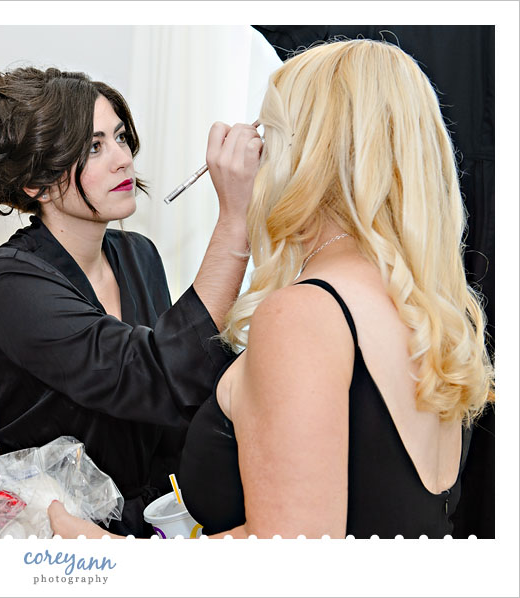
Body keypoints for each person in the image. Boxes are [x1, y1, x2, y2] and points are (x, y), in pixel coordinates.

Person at [48, 39, 495, 539]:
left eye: (269, 132)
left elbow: (288, 558)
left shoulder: (306, 313)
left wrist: (114, 556)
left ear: (304, 153)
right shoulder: (423, 307)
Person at [0, 67, 261, 537]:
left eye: (120, 137)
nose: (123, 159)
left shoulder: (138, 254)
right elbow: (153, 375)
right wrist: (235, 218)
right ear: (36, 181)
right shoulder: (10, 281)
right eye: (93, 147)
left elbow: (187, 384)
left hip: (153, 521)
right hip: (60, 536)